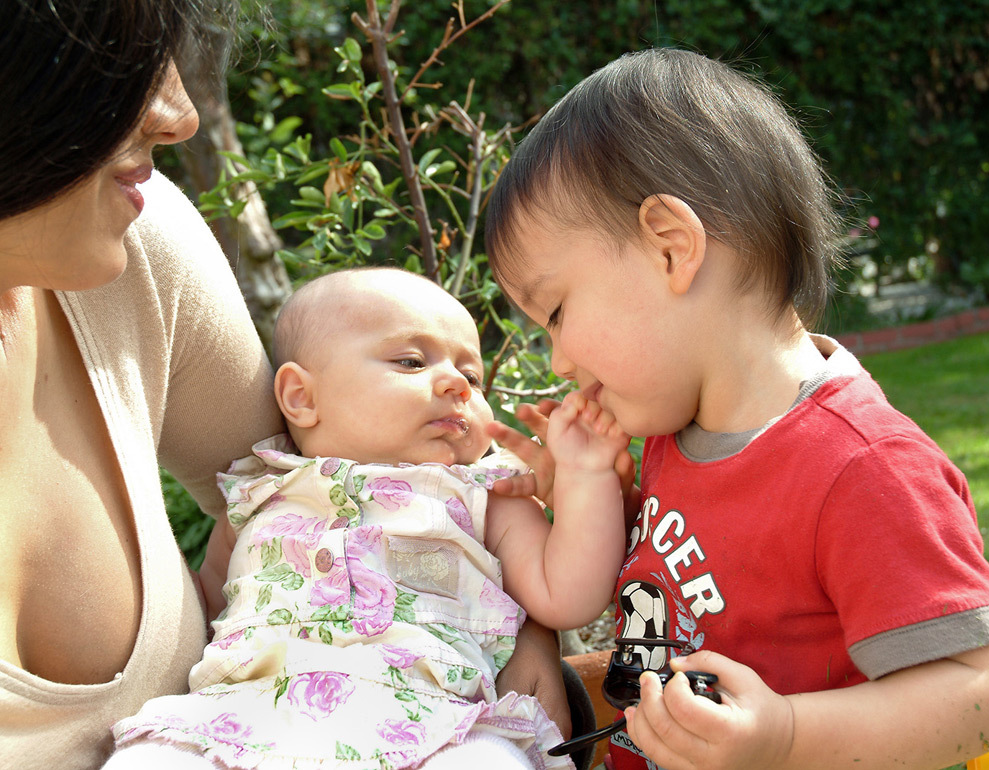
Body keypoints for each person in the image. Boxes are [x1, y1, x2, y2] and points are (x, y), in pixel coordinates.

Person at [0, 3, 574, 767]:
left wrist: (509, 607)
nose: (180, 115)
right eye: (114, 60)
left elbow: (283, 504)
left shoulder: (129, 235)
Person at [483, 48, 989, 770]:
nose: (559, 361)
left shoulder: (861, 467)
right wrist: (587, 495)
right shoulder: (681, 433)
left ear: (671, 248)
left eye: (555, 312)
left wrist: (788, 736)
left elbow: (985, 691)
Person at [105, 267, 628, 769]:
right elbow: (204, 610)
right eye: (410, 362)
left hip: (437, 725)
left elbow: (570, 595)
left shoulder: (487, 497)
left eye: (472, 374)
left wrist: (586, 478)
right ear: (300, 397)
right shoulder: (258, 494)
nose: (457, 384)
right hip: (242, 720)